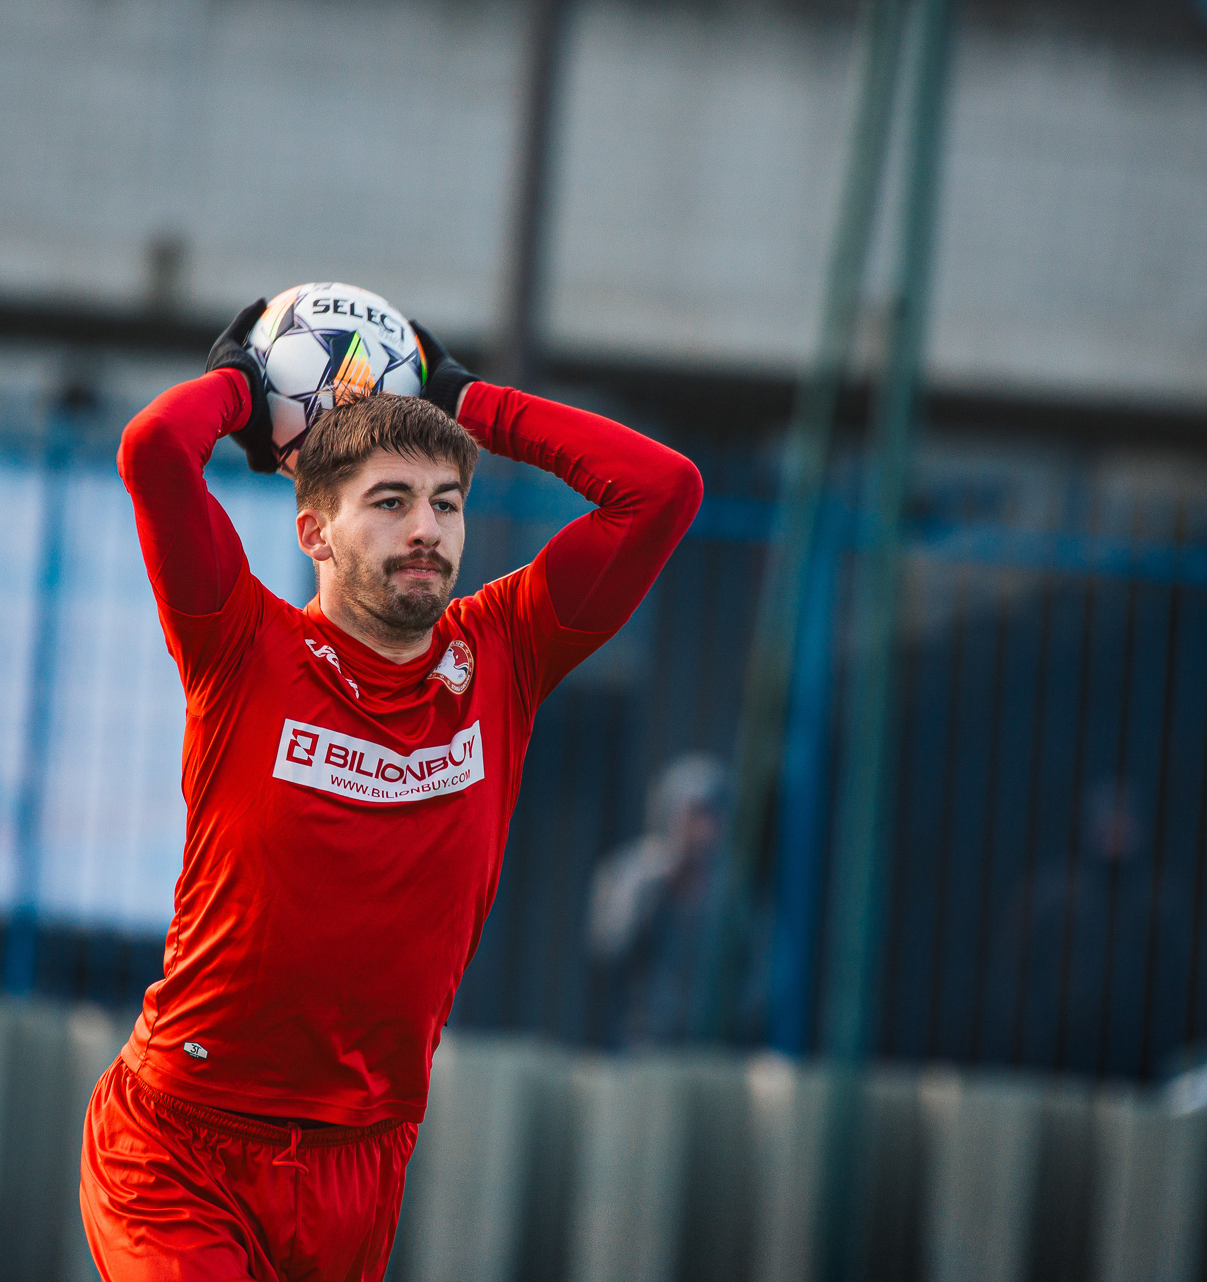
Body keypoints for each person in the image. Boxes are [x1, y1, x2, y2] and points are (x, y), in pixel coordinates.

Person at [79, 299, 702, 1281]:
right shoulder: (240, 646)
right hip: (180, 1143)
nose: (426, 531)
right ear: (315, 532)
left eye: (447, 504)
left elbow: (663, 489)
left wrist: (464, 398)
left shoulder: (506, 651)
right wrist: (243, 385)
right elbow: (155, 449)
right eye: (389, 502)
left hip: (361, 1161)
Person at [586, 753, 731, 1046]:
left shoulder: (726, 888)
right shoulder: (633, 873)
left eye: (712, 817)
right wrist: (656, 891)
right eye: (695, 814)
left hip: (705, 1046)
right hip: (635, 1039)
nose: (703, 830)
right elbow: (606, 948)